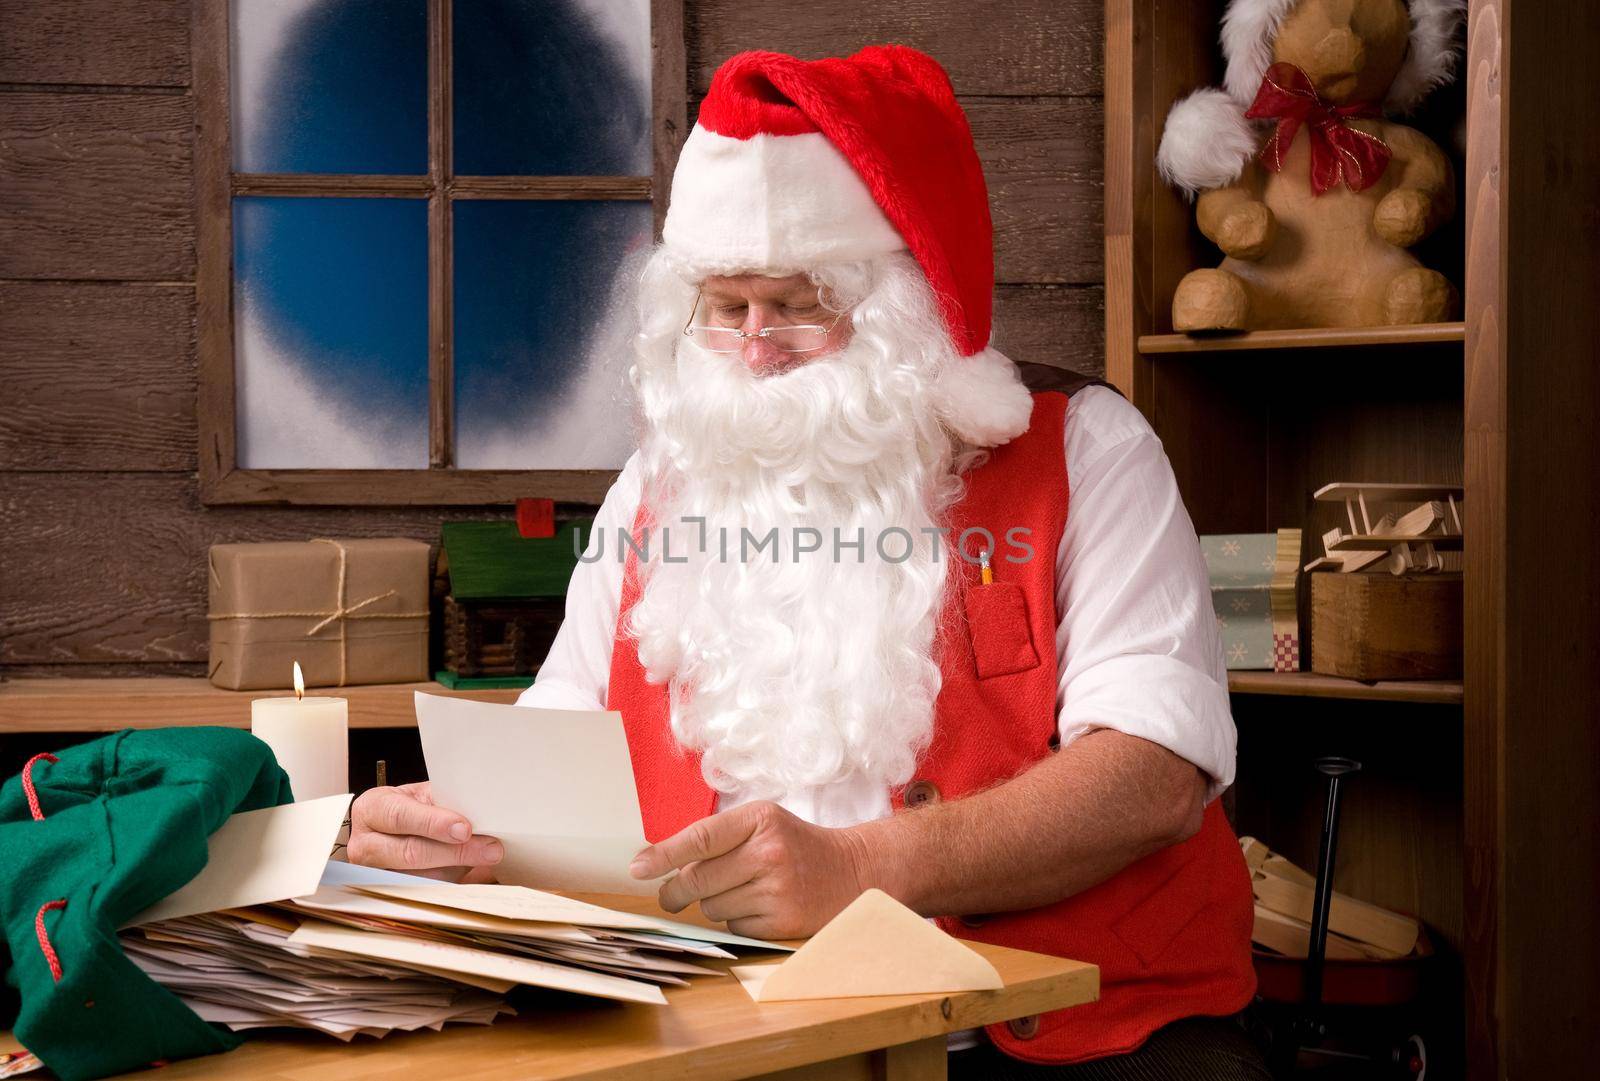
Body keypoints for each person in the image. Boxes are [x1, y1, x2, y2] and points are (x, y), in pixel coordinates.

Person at [351, 45, 1264, 1076]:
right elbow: (559, 744)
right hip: (726, 1032)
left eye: (795, 304)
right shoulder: (657, 487)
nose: (752, 350)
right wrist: (450, 833)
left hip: (1048, 1038)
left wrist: (867, 865)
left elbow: (1152, 776)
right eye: (724, 305)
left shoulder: (1088, 452)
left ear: (904, 307)